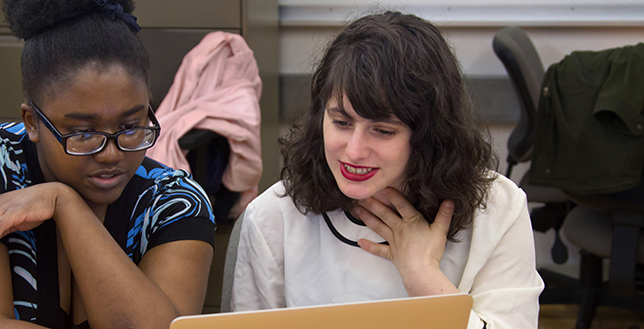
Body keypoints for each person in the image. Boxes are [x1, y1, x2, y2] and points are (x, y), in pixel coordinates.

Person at [0, 0, 215, 328]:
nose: (111, 154)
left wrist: (65, 204)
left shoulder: (174, 200)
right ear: (31, 122)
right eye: (83, 133)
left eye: (130, 127)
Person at [230, 11, 544, 329]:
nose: (353, 151)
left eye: (382, 130)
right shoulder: (274, 216)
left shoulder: (499, 209)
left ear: (428, 136)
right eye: (341, 122)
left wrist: (422, 276)